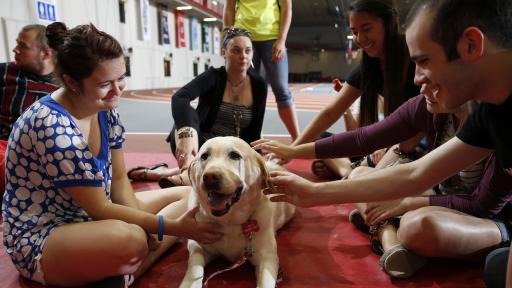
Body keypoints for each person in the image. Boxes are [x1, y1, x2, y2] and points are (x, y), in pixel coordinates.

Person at [256, 0, 512, 283]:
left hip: (486, 218)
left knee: (421, 227)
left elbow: (476, 203)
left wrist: (409, 203)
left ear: (471, 45)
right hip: (448, 198)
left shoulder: (484, 108)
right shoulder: (491, 111)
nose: (416, 79)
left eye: (424, 61)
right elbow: (411, 169)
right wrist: (310, 191)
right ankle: (391, 234)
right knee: (370, 181)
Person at [1, 22, 223, 287]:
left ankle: (121, 274)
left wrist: (153, 226)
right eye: (105, 83)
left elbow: (118, 181)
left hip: (90, 216)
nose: (118, 90)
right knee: (131, 240)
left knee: (190, 195)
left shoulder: (105, 107)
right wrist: (170, 228)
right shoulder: (53, 128)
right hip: (43, 235)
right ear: (72, 82)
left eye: (121, 78)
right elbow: (99, 208)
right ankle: (128, 268)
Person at [284, 0, 421, 179]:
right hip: (387, 143)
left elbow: (425, 119)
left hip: (415, 144)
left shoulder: (415, 57)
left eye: (366, 29)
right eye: (355, 32)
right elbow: (330, 112)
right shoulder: (368, 68)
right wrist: (291, 150)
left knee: (374, 170)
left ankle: (353, 172)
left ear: (390, 22)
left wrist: (390, 146)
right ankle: (349, 171)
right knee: (324, 139)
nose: (360, 39)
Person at [128, 27, 268, 188]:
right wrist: (187, 132)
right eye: (236, 50)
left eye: (247, 51)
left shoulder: (259, 85)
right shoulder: (213, 76)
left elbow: (255, 131)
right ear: (224, 52)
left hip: (231, 153)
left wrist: (258, 161)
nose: (243, 56)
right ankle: (188, 171)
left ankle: (165, 173)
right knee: (188, 115)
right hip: (199, 144)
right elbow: (179, 97)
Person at [223, 0, 300, 141]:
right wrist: (227, 35)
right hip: (243, 37)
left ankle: (297, 139)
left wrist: (282, 40)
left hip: (272, 37)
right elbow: (229, 8)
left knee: (282, 90)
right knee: (245, 90)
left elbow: (287, 7)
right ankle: (253, 139)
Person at [0, 24, 59, 197]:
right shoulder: (4, 73)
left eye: (22, 46)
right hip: (4, 147)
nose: (15, 49)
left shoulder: (63, 86)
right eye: (17, 44)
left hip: (42, 152)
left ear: (46, 53)